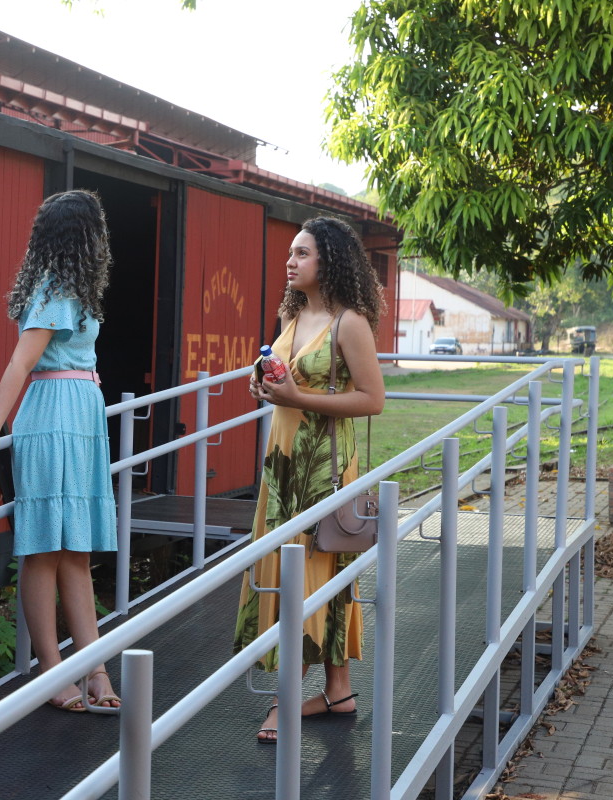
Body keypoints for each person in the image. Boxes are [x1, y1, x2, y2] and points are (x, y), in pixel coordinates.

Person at [0, 190, 120, 713]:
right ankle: (52, 671)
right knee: (45, 546)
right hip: (52, 414)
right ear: (84, 235)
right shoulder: (56, 290)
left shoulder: (73, 288)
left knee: (76, 550)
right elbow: (20, 363)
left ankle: (94, 669)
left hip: (81, 413)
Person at [233, 216, 386, 743]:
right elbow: (286, 378)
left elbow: (373, 400)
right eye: (290, 252)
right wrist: (263, 384)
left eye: (302, 253)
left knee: (310, 571)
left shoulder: (350, 323)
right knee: (312, 568)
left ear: (330, 260)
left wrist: (298, 397)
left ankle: (285, 701)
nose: (290, 261)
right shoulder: (293, 313)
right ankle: (338, 691)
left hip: (324, 464)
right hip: (283, 463)